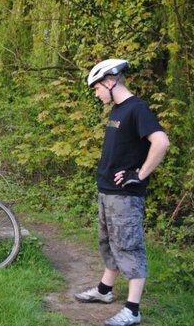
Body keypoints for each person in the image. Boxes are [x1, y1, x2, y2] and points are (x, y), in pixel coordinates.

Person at [74, 59, 170, 326]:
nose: (96, 93)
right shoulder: (118, 110)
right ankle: (105, 291)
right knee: (108, 243)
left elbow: (161, 142)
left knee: (129, 247)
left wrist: (139, 174)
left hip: (125, 196)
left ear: (110, 81)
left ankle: (133, 310)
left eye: (96, 88)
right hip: (107, 192)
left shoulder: (137, 109)